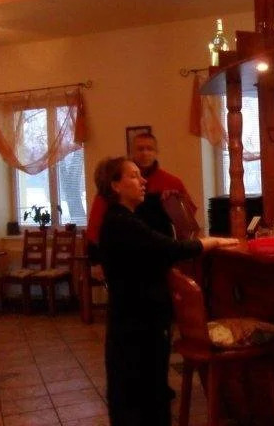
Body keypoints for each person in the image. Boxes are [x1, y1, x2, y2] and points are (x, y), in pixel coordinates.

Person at [96, 156, 238, 426]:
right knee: (141, 397)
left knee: (145, 393)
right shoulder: (121, 223)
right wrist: (215, 242)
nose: (143, 181)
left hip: (136, 322)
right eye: (134, 176)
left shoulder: (125, 219)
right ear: (115, 185)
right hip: (136, 325)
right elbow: (170, 249)